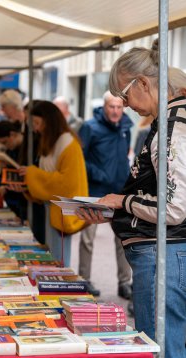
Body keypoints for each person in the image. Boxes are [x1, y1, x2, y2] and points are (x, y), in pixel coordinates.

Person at [76, 39, 186, 358]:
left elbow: (174, 207)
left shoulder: (172, 126)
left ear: (143, 83)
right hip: (163, 253)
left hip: (162, 255)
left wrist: (121, 202)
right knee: (169, 352)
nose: (123, 104)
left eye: (124, 94)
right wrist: (118, 210)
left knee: (161, 357)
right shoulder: (168, 122)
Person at [9, 100, 88, 266]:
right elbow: (51, 177)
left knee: (59, 261)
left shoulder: (67, 143)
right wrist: (28, 181)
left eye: (37, 123)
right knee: (54, 258)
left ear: (49, 121)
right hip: (51, 210)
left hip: (60, 212)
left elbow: (66, 183)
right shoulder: (53, 141)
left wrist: (32, 174)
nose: (36, 129)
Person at [78, 91, 133, 297]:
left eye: (119, 107)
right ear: (104, 106)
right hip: (95, 192)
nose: (116, 111)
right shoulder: (89, 127)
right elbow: (80, 159)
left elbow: (125, 155)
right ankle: (84, 280)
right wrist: (99, 174)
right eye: (112, 107)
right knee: (88, 239)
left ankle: (124, 282)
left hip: (119, 193)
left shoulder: (126, 127)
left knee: (122, 238)